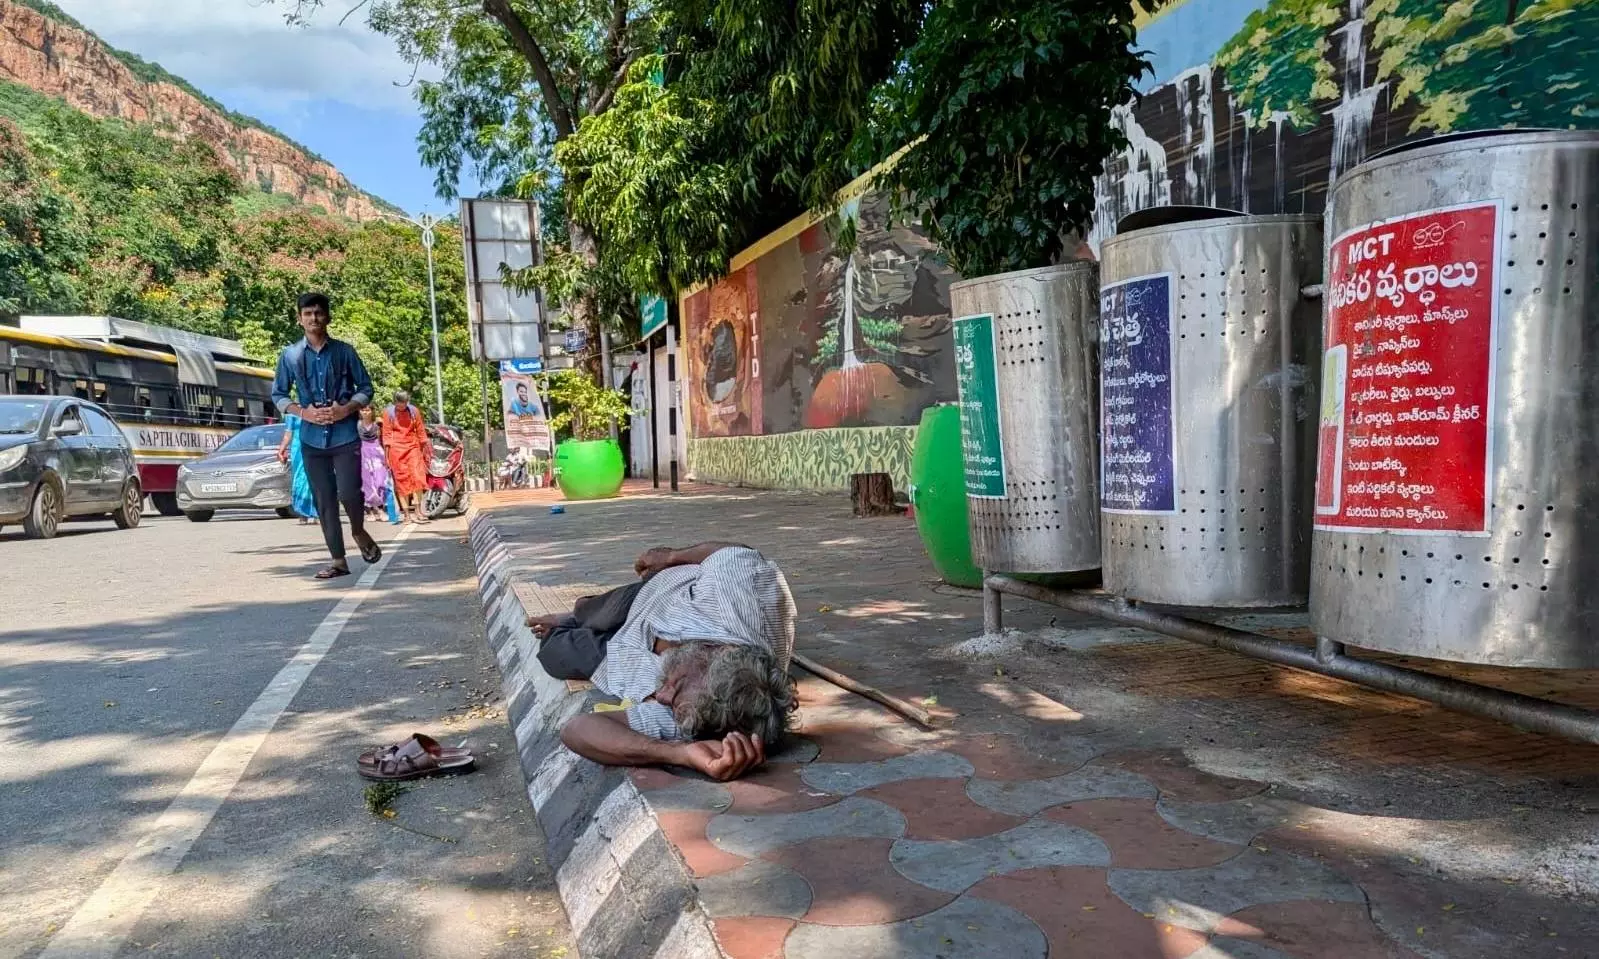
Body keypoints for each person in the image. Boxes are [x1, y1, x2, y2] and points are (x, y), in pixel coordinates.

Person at [528, 542, 797, 782]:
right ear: (716, 654)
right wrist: (671, 557)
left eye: (672, 703)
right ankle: (577, 616)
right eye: (677, 687)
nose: (660, 695)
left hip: (620, 654)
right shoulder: (738, 601)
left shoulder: (703, 717)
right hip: (655, 594)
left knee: (555, 652)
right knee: (589, 611)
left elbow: (577, 730)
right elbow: (734, 552)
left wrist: (680, 754)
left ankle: (573, 628)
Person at [270, 292, 382, 580]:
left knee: (349, 493)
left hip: (344, 435)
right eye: (307, 314)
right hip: (310, 439)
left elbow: (366, 387)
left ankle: (358, 530)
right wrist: (301, 412)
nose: (314, 318)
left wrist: (347, 409)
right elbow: (279, 394)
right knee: (324, 499)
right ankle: (338, 560)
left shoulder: (345, 352)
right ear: (299, 319)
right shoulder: (290, 355)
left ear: (328, 317)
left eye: (319, 313)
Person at [382, 390, 430, 524]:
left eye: (404, 403)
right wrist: (386, 457)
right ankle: (407, 515)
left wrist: (425, 447)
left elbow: (420, 430)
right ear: (395, 402)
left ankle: (418, 510)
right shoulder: (388, 413)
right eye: (399, 404)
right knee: (401, 481)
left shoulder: (414, 411)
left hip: (413, 447)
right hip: (396, 450)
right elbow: (386, 435)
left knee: (418, 477)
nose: (402, 406)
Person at [276, 413, 318, 524]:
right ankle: (302, 512)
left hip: (314, 447)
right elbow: (288, 433)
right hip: (298, 449)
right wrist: (281, 449)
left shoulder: (315, 408)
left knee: (313, 479)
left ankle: (314, 511)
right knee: (299, 479)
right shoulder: (292, 413)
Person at [357, 406, 391, 521]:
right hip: (363, 454)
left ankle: (381, 509)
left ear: (372, 411)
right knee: (366, 483)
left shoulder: (378, 423)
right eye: (363, 410)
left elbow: (386, 437)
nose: (365, 412)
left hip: (377, 454)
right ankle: (369, 511)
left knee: (380, 481)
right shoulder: (356, 425)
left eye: (368, 410)